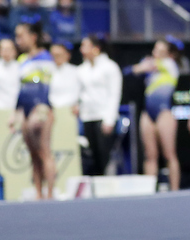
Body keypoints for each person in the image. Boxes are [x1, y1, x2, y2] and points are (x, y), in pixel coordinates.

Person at [130, 38, 182, 190]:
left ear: (169, 54)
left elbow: (136, 69)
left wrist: (143, 65)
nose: (156, 54)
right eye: (155, 50)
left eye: (161, 51)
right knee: (150, 155)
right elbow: (131, 72)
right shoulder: (151, 68)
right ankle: (149, 190)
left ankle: (175, 189)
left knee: (169, 154)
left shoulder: (170, 65)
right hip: (148, 113)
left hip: (164, 112)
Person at [13, 21, 57, 200]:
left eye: (21, 36)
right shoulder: (22, 60)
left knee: (44, 151)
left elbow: (46, 86)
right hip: (25, 109)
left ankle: (50, 193)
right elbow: (21, 89)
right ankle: (38, 193)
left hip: (41, 108)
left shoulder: (45, 58)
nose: (18, 41)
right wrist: (16, 111)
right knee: (33, 154)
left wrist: (43, 107)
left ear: (33, 37)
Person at [77, 34, 124, 176]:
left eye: (85, 46)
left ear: (96, 48)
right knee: (92, 156)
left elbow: (114, 94)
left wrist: (109, 119)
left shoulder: (110, 67)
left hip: (103, 117)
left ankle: (107, 186)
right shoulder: (81, 69)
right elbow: (79, 93)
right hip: (87, 117)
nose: (81, 50)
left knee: (104, 155)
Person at [48, 40, 80, 111]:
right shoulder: (47, 70)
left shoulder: (76, 71)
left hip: (70, 109)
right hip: (52, 109)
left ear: (67, 55)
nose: (56, 58)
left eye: (58, 55)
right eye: (53, 55)